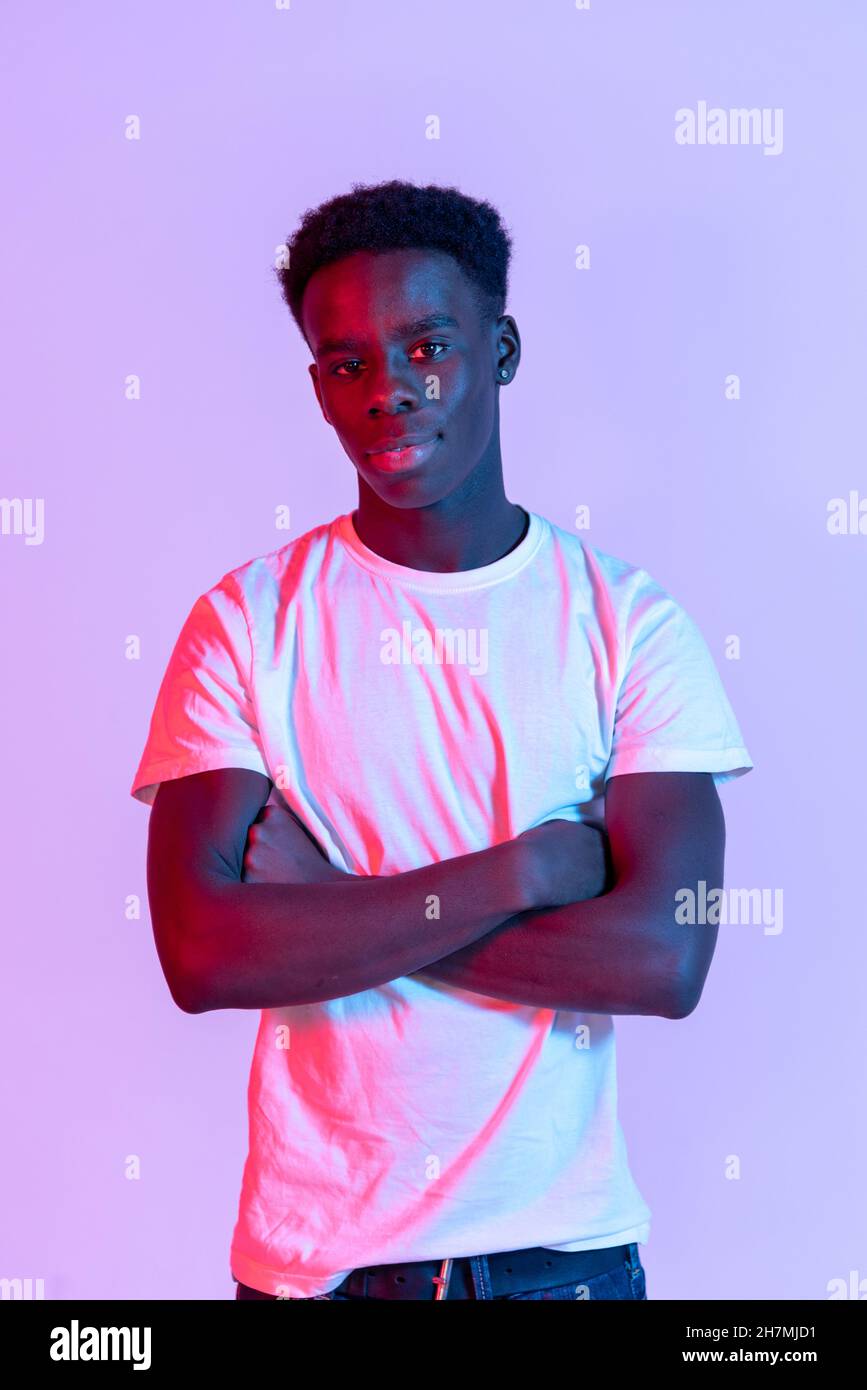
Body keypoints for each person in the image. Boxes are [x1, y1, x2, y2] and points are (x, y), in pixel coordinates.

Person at [130, 178, 753, 1301]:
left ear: (501, 350)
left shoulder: (628, 626)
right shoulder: (247, 625)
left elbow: (664, 961)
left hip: (560, 1262)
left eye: (427, 346)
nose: (387, 392)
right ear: (318, 386)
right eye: (346, 363)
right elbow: (203, 954)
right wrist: (520, 874)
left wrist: (331, 901)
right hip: (320, 1269)